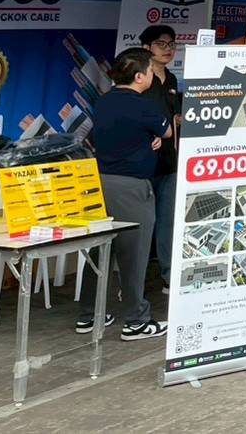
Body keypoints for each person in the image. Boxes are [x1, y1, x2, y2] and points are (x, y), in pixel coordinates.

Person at [76, 48, 171, 340]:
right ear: (140, 76)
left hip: (100, 183)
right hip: (131, 187)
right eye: (150, 70)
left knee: (99, 250)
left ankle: (89, 315)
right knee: (134, 255)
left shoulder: (104, 101)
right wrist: (155, 136)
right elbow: (167, 131)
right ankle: (136, 321)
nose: (153, 75)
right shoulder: (141, 104)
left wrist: (146, 139)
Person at [138, 24, 181, 288]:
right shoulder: (140, 79)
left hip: (170, 160)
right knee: (142, 223)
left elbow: (174, 113)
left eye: (172, 44)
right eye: (161, 44)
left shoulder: (173, 80)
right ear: (147, 48)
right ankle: (134, 282)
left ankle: (169, 276)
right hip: (144, 161)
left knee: (168, 222)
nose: (168, 49)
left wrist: (178, 119)